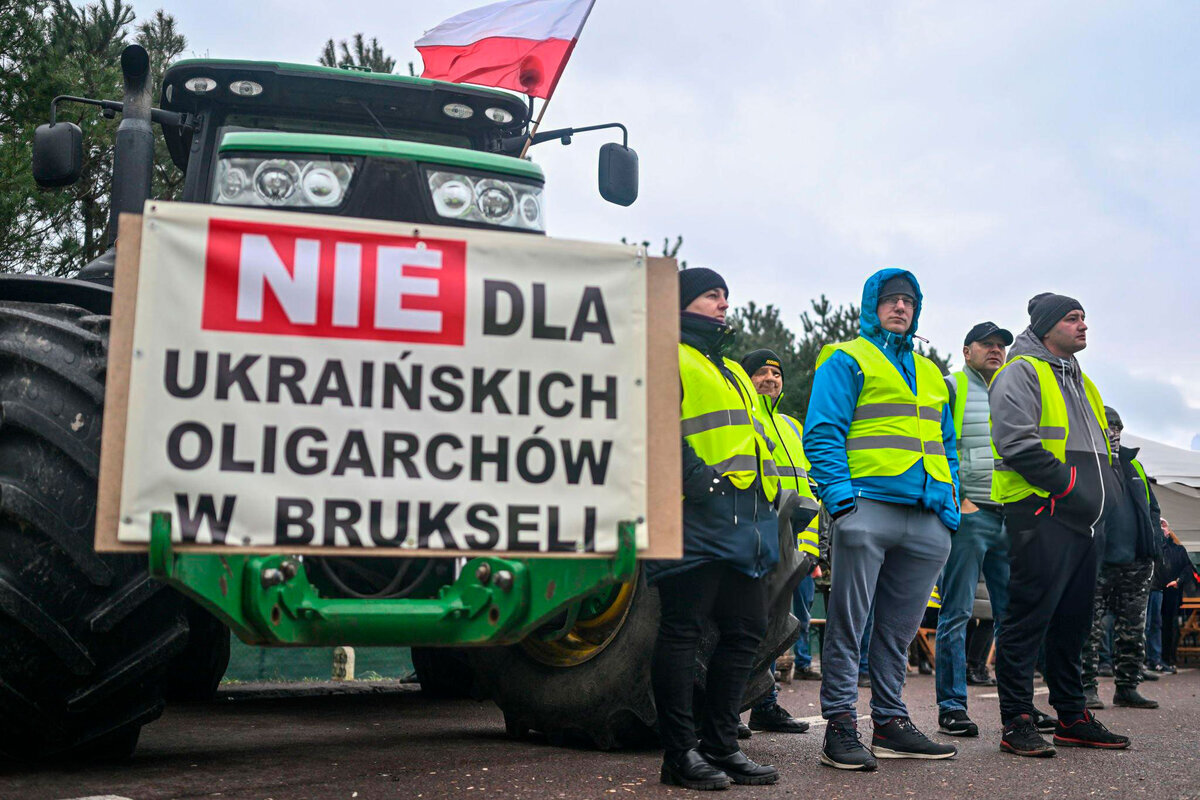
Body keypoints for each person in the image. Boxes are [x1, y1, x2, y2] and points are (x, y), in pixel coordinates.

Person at [804, 269, 959, 771]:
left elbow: (947, 445)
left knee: (898, 631)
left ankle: (890, 723)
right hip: (866, 506)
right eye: (891, 300)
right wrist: (842, 501)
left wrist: (949, 503)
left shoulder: (933, 372)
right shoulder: (846, 357)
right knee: (849, 626)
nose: (900, 308)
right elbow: (823, 432)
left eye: (909, 302)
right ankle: (841, 728)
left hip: (928, 517)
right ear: (872, 305)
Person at [647, 267, 781, 790]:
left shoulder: (726, 367)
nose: (724, 304)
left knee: (746, 629)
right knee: (682, 630)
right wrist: (703, 484)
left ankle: (720, 747)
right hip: (692, 510)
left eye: (726, 295)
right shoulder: (667, 354)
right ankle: (678, 754)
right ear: (683, 303)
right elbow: (655, 426)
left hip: (746, 518)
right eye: (711, 295)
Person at [989, 292, 1125, 757]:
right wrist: (1069, 489)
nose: (1083, 325)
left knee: (1073, 622)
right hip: (1041, 510)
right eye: (1072, 318)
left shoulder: (1082, 381)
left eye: (1085, 317)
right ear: (1047, 327)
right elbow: (1016, 444)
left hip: (1083, 521)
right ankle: (1017, 721)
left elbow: (1104, 451)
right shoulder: (1021, 371)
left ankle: (1071, 717)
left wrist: (1107, 497)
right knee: (1027, 619)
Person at [934, 321, 1018, 737]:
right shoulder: (950, 387)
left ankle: (1017, 709)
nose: (996, 350)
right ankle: (951, 707)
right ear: (967, 351)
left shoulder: (1014, 392)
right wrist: (957, 498)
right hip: (971, 515)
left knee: (1012, 616)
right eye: (987, 344)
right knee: (957, 613)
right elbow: (934, 442)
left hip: (1009, 516)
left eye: (1001, 345)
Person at [739, 349, 820, 735]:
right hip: (759, 540)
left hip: (798, 549)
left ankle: (764, 705)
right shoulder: (742, 417)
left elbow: (807, 487)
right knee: (751, 627)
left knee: (787, 627)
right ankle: (735, 707)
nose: (770, 378)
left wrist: (814, 550)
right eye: (761, 373)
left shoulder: (791, 426)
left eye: (776, 373)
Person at [1080, 407, 1161, 710]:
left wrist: (1153, 549)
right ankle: (1087, 689)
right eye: (1108, 427)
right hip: (1096, 562)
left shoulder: (1135, 467)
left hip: (1136, 563)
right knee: (1089, 629)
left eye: (1118, 428)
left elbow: (1152, 509)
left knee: (1132, 630)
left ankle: (1127, 687)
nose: (1114, 433)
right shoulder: (1087, 463)